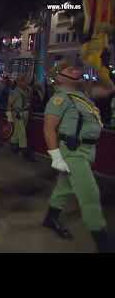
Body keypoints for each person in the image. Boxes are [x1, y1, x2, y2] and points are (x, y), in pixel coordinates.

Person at [42, 58, 113, 252]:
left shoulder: (82, 95)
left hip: (86, 150)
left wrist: (102, 69)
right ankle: (103, 241)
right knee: (89, 193)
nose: (77, 71)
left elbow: (109, 89)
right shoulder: (60, 98)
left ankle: (50, 218)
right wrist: (56, 157)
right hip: (73, 152)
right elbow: (49, 128)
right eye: (71, 70)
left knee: (65, 187)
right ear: (59, 77)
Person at [6, 75, 36, 161]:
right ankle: (24, 151)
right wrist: (9, 117)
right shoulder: (14, 92)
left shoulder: (27, 91)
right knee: (22, 132)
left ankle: (13, 144)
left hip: (25, 113)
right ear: (19, 82)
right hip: (18, 113)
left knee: (17, 131)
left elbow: (28, 101)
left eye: (26, 81)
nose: (26, 83)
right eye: (23, 81)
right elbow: (9, 104)